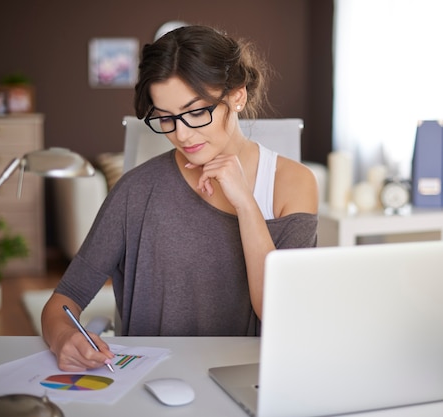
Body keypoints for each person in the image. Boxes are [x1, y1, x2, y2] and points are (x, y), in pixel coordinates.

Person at [41, 25, 319, 372]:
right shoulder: (135, 190)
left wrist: (246, 204)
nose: (182, 134)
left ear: (237, 95)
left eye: (196, 111)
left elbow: (281, 315)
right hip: (151, 383)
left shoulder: (293, 184)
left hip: (250, 381)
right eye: (166, 118)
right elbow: (61, 303)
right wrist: (64, 337)